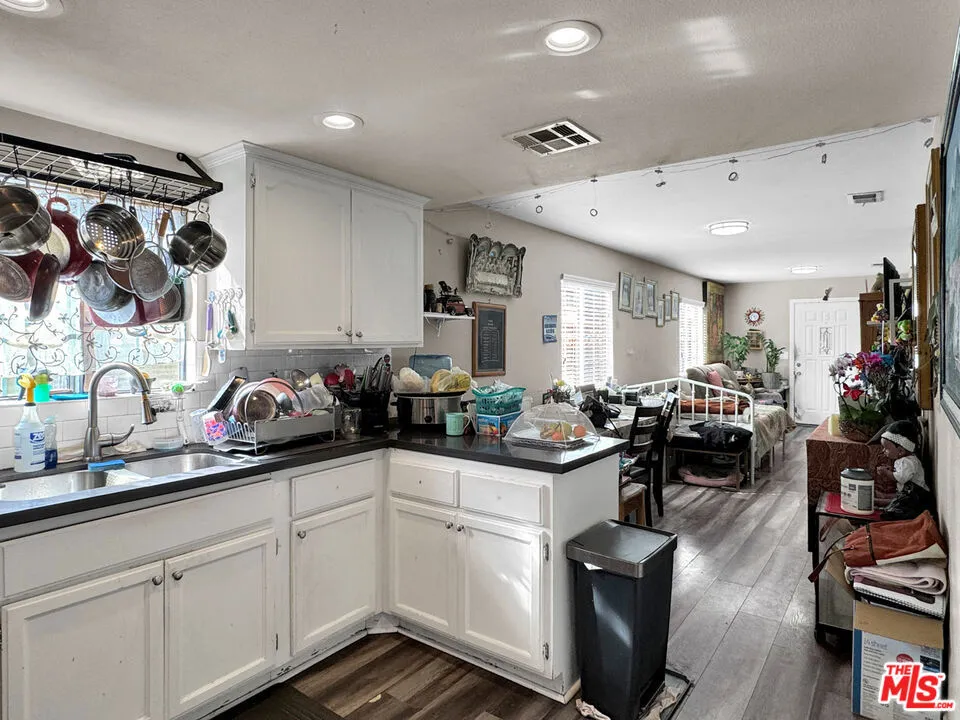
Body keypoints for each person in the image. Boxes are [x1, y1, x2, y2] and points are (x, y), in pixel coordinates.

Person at [875, 420, 931, 520]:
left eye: (886, 448)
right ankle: (882, 499)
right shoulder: (904, 460)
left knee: (899, 504)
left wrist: (886, 473)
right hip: (908, 493)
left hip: (917, 498)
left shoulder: (908, 462)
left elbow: (901, 478)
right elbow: (902, 473)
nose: (883, 451)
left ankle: (881, 503)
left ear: (900, 451)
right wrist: (891, 470)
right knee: (900, 497)